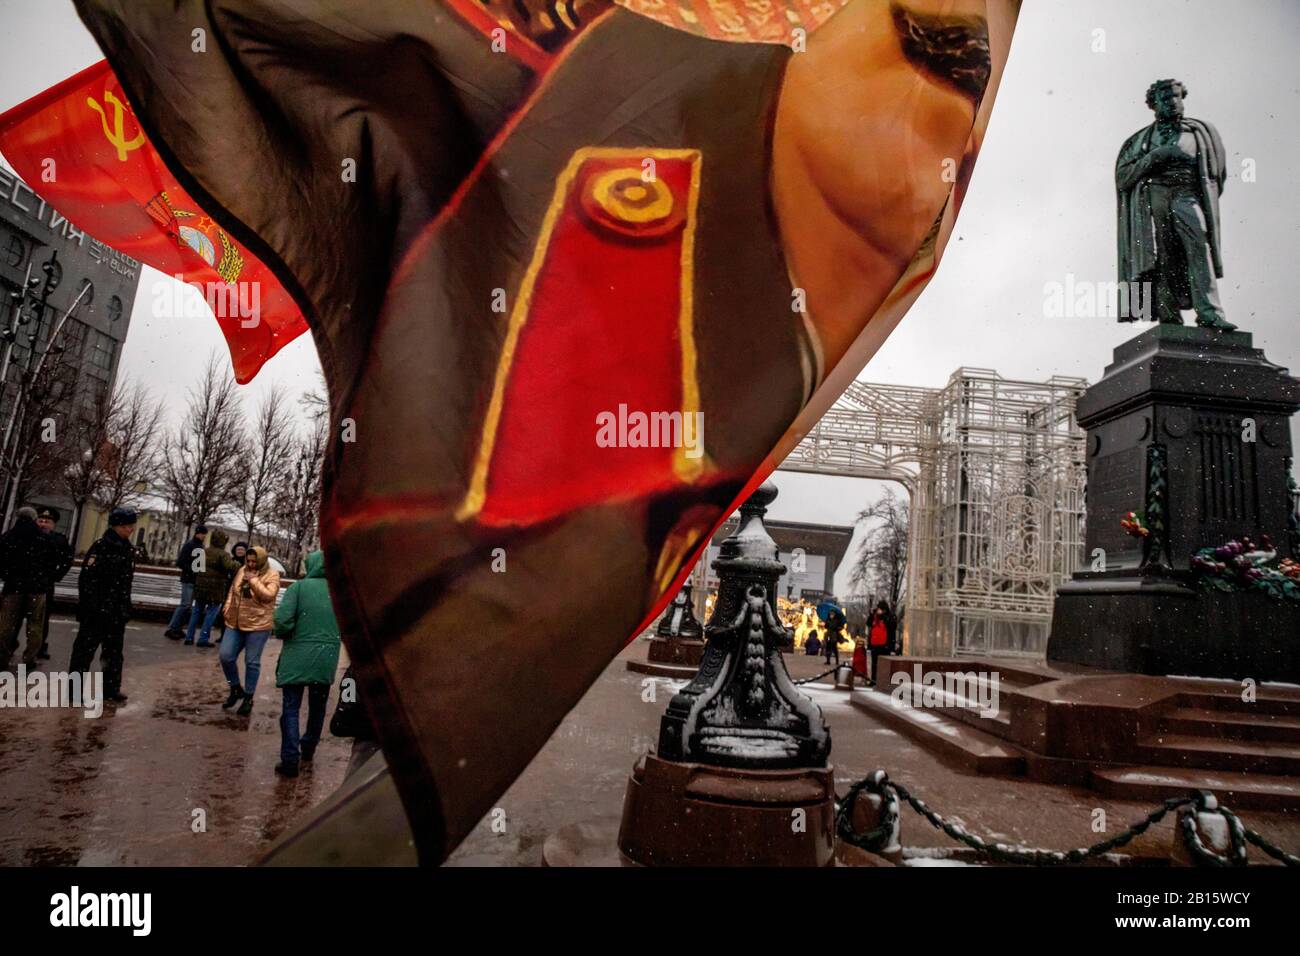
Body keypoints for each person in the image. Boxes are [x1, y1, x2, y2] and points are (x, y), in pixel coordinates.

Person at [272, 551, 341, 777]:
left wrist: (285, 633)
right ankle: (309, 748)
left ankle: (290, 759)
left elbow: (282, 620)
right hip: (326, 657)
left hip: (298, 654)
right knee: (318, 706)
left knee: (291, 708)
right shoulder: (340, 593)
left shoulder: (298, 588)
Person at [68, 507, 137, 703]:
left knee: (114, 654)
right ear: (117, 526)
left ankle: (110, 688)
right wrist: (95, 607)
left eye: (131, 526)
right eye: (127, 526)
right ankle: (73, 691)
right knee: (84, 653)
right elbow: (87, 581)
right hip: (96, 612)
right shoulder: (101, 547)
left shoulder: (127, 549)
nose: (131, 529)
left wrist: (124, 608)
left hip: (116, 612)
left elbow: (125, 584)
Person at [220, 545, 281, 715]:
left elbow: (268, 596)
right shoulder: (241, 570)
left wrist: (253, 580)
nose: (251, 564)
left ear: (262, 560)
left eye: (255, 561)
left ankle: (248, 697)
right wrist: (226, 608)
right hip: (235, 622)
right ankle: (235, 688)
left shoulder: (272, 574)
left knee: (251, 662)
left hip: (258, 625)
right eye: (249, 560)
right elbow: (233, 591)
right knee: (226, 656)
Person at [0, 506, 58, 670]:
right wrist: (43, 579)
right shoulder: (43, 539)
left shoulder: (9, 537)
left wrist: (9, 577)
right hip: (36, 588)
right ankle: (29, 658)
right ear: (34, 519)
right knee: (35, 626)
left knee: (6, 624)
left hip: (13, 588)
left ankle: (3, 656)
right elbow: (51, 562)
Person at [186, 528, 239, 647]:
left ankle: (189, 637)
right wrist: (237, 564)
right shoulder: (223, 554)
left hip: (200, 586)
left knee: (196, 612)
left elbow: (195, 568)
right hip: (215, 589)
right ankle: (203, 638)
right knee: (211, 613)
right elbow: (230, 567)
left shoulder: (202, 551)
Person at [34, 506, 73, 661]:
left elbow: (67, 560)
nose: (43, 524)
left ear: (53, 524)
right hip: (25, 583)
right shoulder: (31, 536)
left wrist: (56, 576)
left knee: (42, 618)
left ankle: (40, 647)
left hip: (45, 584)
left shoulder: (59, 540)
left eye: (47, 521)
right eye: (41, 520)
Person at [165, 523, 207, 640]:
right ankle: (173, 627)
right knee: (185, 605)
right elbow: (181, 562)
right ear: (198, 534)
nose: (203, 536)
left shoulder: (197, 546)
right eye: (202, 534)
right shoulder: (191, 546)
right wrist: (192, 571)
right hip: (189, 579)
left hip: (192, 579)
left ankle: (177, 627)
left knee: (186, 605)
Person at [867, 601, 896, 686]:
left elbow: (892, 626)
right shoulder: (875, 617)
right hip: (875, 644)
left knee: (884, 665)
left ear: (884, 609)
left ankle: (883, 682)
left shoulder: (891, 616)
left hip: (885, 645)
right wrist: (872, 615)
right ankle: (873, 680)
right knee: (874, 664)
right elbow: (868, 623)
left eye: (879, 608)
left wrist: (882, 616)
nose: (878, 610)